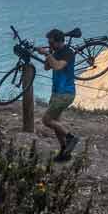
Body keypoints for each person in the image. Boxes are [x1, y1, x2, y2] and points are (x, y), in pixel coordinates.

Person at [36, 28, 79, 161]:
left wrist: (48, 55)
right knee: (56, 122)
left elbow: (58, 66)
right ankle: (65, 152)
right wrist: (47, 54)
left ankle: (71, 138)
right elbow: (47, 67)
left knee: (47, 120)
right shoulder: (56, 52)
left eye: (52, 43)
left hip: (65, 93)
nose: (50, 45)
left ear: (59, 41)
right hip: (57, 92)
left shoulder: (68, 53)